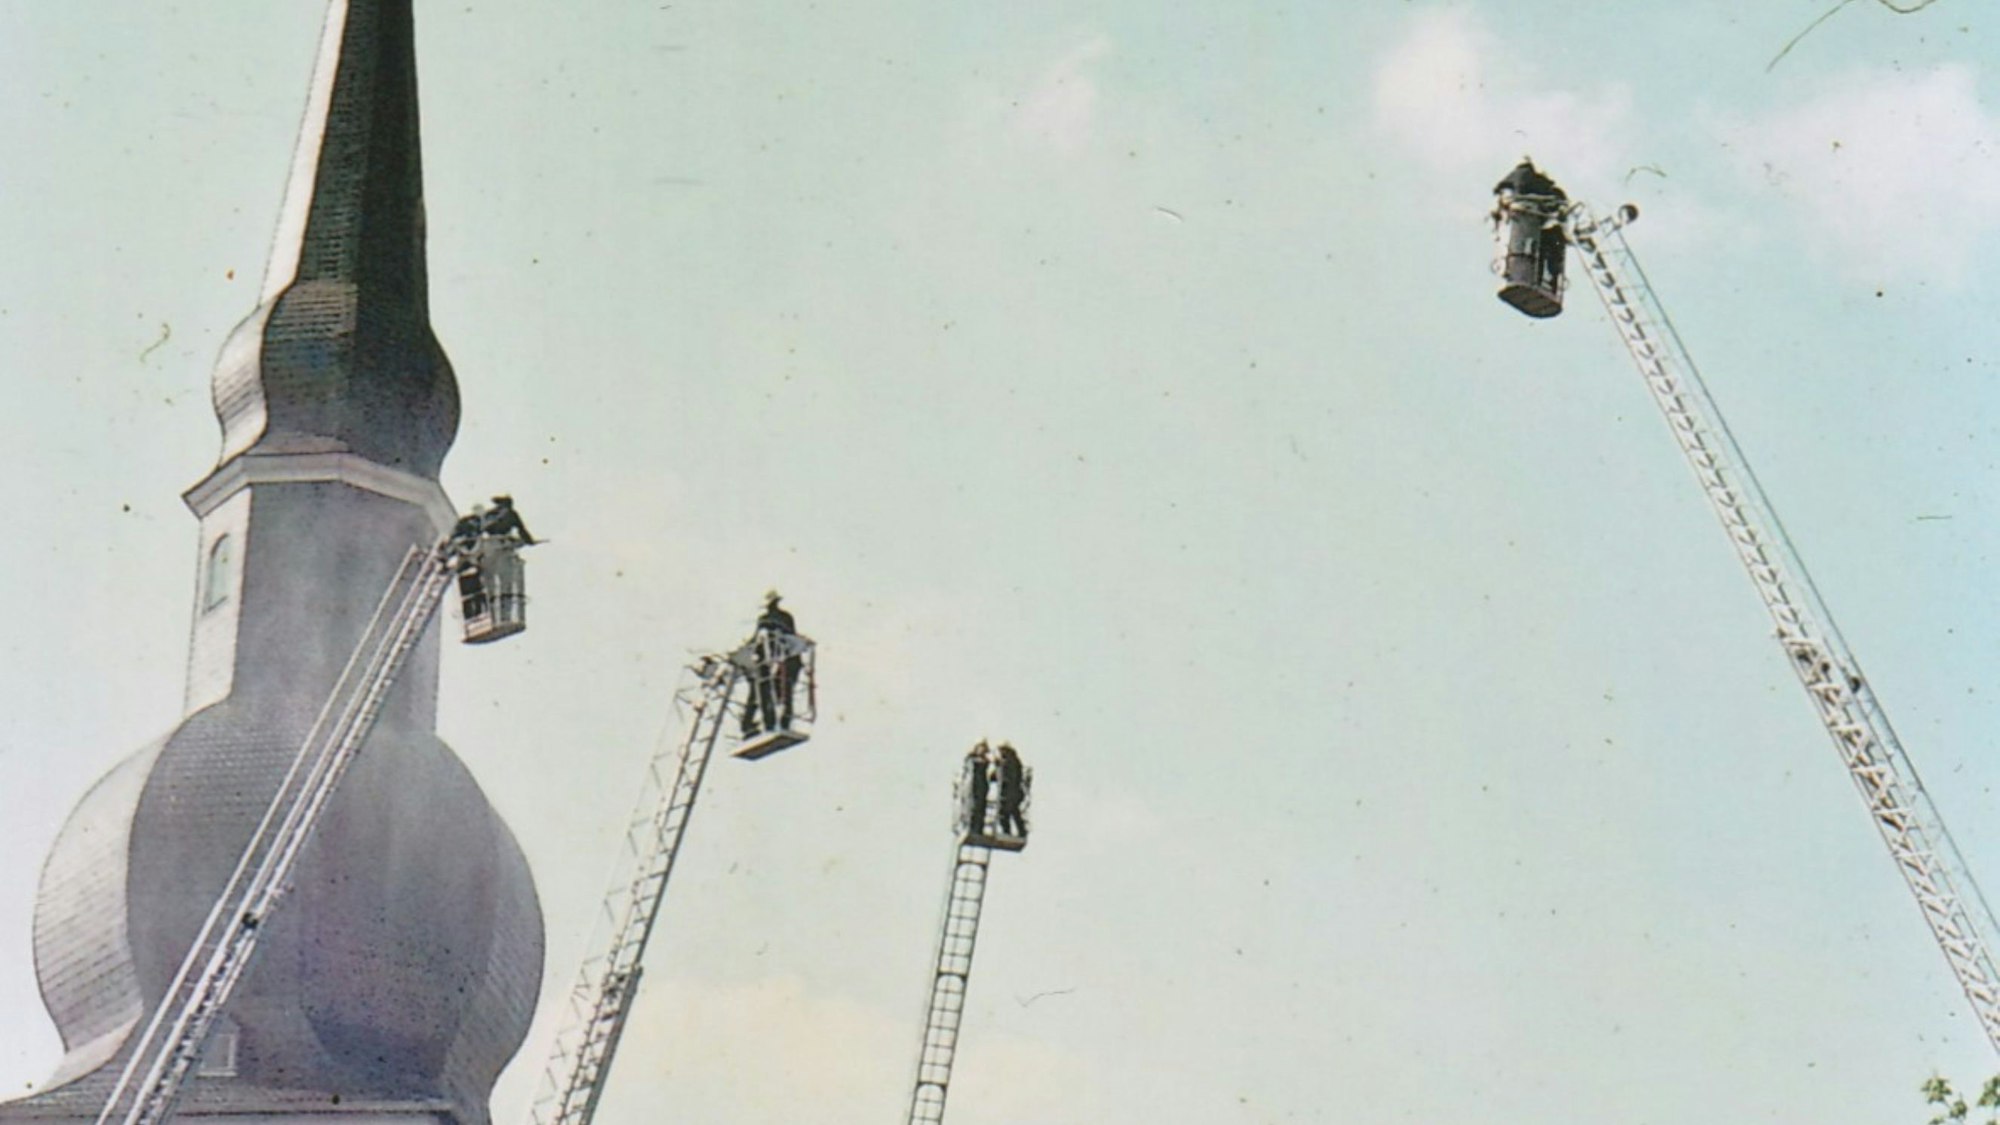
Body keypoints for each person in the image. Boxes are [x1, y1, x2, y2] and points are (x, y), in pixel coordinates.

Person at [743, 591, 801, 737]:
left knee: (766, 691)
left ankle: (758, 724)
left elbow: (760, 640)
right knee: (777, 692)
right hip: (778, 662)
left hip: (780, 661)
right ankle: (776, 723)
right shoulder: (783, 618)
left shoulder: (768, 619)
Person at [995, 743, 1027, 836]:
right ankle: (1020, 831)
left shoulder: (1009, 761)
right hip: (1014, 791)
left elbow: (1004, 775)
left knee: (1005, 812)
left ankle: (1008, 832)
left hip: (1010, 792)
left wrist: (998, 765)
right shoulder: (1014, 761)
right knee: (1013, 812)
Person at [963, 741, 992, 837]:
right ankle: (972, 827)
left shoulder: (985, 760)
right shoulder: (972, 759)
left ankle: (978, 828)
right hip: (974, 784)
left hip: (982, 784)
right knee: (973, 806)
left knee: (981, 807)